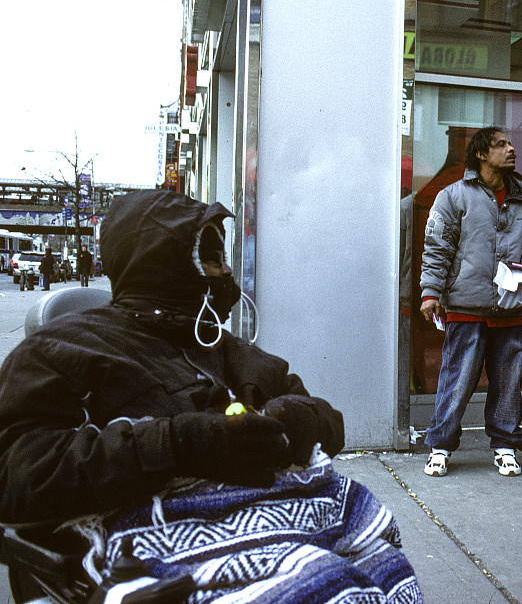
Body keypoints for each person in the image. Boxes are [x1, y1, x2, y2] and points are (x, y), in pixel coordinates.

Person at [0, 190, 422, 603]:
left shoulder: (231, 350)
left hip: (285, 525)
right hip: (164, 541)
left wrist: (295, 420)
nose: (224, 273)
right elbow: (17, 472)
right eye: (211, 259)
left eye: (224, 259)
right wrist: (180, 444)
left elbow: (330, 422)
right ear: (162, 264)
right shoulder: (64, 349)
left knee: (372, 577)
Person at [419, 126, 522, 478]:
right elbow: (437, 248)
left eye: (511, 143)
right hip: (466, 305)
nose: (511, 149)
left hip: (510, 307)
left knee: (508, 383)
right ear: (481, 155)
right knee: (457, 380)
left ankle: (505, 446)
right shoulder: (453, 196)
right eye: (500, 145)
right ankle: (439, 447)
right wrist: (431, 292)